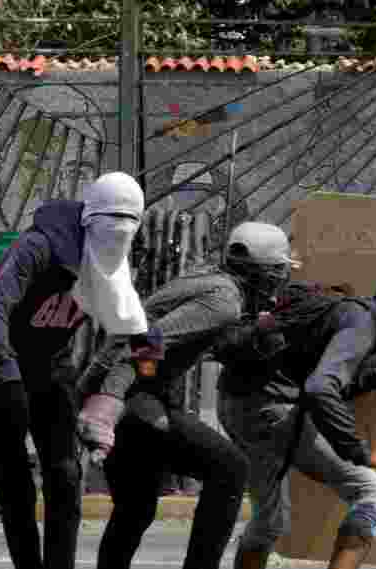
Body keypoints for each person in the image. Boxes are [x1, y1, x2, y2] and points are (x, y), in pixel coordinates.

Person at [215, 265, 376, 569]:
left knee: (269, 521)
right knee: (374, 493)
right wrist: (360, 452)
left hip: (241, 403)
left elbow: (327, 381)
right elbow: (319, 388)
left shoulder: (357, 316)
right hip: (268, 411)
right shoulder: (362, 325)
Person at [95, 221, 298, 569]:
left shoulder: (213, 283)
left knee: (136, 507)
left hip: (124, 389)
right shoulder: (224, 300)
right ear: (264, 273)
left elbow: (208, 344)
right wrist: (114, 399)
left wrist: (259, 334)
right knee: (230, 469)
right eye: (278, 271)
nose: (281, 280)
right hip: (126, 395)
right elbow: (145, 342)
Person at [0, 172, 162, 569]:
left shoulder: (113, 266)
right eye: (109, 230)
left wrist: (143, 375)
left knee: (65, 479)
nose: (115, 241)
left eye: (125, 233)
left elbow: (142, 333)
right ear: (88, 222)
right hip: (0, 371)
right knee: (16, 487)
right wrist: (4, 372)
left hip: (52, 371)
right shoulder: (39, 247)